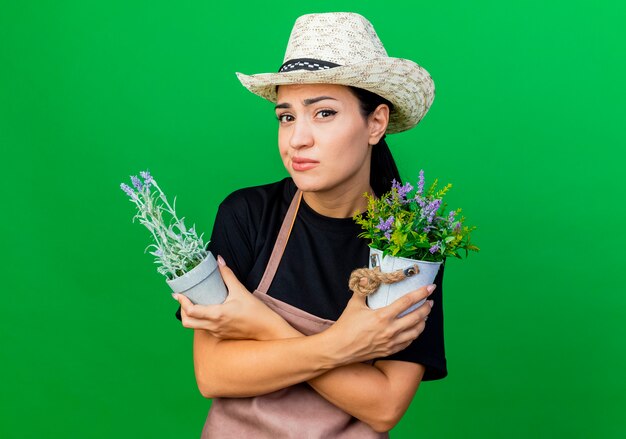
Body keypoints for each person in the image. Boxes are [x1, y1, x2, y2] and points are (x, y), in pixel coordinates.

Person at [173, 12, 447, 438]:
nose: (298, 138)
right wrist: (342, 347)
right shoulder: (246, 215)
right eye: (287, 117)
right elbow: (213, 373)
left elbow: (385, 406)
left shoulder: (412, 242)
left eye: (323, 113)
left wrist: (262, 326)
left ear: (375, 122)